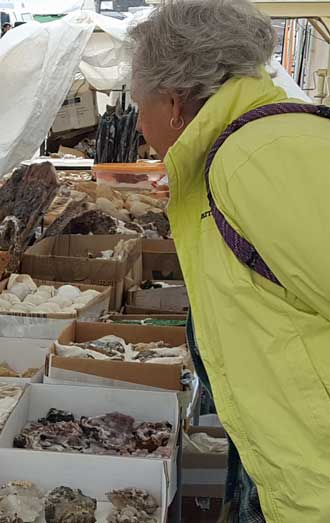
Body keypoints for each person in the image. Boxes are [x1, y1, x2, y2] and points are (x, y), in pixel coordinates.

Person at [128, 0, 330, 521]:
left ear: (173, 103)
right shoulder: (238, 151)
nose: (140, 126)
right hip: (289, 472)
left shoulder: (259, 158)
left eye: (137, 105)